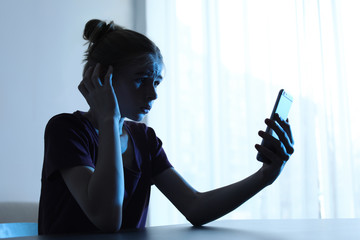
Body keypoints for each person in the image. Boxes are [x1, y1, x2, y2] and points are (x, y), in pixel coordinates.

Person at [38, 19, 294, 235]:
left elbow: (194, 206)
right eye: (141, 80)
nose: (153, 94)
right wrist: (108, 120)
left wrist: (264, 177)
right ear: (103, 77)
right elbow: (106, 218)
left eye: (157, 82)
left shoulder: (144, 139)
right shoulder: (66, 130)